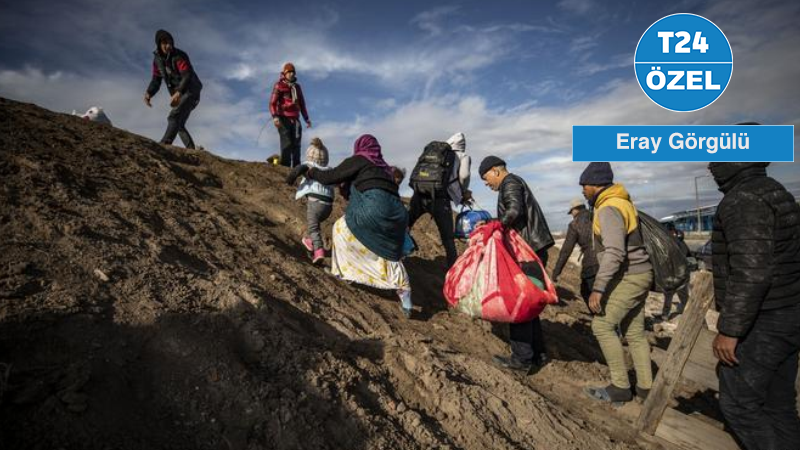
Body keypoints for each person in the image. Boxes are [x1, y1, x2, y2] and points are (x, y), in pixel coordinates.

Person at [709, 162, 800, 450]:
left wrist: (730, 330)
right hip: (788, 312)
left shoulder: (742, 200)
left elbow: (752, 272)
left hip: (765, 319)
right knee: (778, 404)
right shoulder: (774, 191)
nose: (711, 167)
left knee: (738, 403)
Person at [295, 135, 413, 318]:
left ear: (360, 147)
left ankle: (343, 273)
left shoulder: (360, 159)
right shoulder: (386, 169)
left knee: (341, 229)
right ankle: (404, 293)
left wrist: (310, 173)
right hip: (399, 215)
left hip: (374, 208)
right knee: (388, 249)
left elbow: (330, 176)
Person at [580, 162, 654, 404]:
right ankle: (645, 389)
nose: (583, 190)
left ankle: (621, 387)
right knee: (635, 333)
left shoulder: (609, 208)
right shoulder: (623, 202)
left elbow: (614, 252)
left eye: (585, 185)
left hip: (630, 275)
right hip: (641, 273)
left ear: (596, 184)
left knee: (601, 326)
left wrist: (599, 287)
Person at [479, 156, 554, 371]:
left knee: (518, 303)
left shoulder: (509, 183)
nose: (487, 183)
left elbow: (514, 210)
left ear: (495, 171)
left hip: (527, 253)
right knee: (529, 304)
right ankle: (537, 354)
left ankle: (521, 359)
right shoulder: (516, 182)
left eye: (486, 178)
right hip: (534, 251)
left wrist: (495, 226)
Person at [407, 134, 472, 269]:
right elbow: (464, 175)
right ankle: (453, 274)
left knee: (405, 225)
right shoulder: (461, 155)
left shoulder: (434, 151)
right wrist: (463, 192)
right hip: (440, 199)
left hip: (419, 194)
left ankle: (395, 260)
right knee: (448, 239)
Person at [144, 29, 203, 149]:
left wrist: (178, 92)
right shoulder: (157, 61)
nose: (168, 45)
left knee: (173, 116)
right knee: (179, 124)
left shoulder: (179, 56)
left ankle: (164, 144)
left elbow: (187, 75)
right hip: (180, 93)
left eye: (170, 42)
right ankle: (192, 151)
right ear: (158, 44)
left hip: (191, 90)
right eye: (165, 43)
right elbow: (156, 79)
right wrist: (149, 92)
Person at [286, 137, 335, 265]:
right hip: (328, 205)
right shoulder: (329, 170)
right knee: (316, 224)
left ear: (309, 155)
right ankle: (311, 242)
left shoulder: (308, 166)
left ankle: (319, 251)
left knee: (313, 227)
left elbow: (296, 171)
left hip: (315, 202)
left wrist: (290, 180)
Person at [551, 198, 598, 310]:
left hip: (592, 265)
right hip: (609, 260)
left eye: (571, 212)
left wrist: (556, 272)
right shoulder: (597, 216)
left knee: (587, 292)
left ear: (575, 210)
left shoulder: (574, 224)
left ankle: (601, 321)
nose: (571, 214)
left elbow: (566, 251)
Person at [269, 62, 311, 167]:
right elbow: (272, 103)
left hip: (296, 119)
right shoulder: (279, 85)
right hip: (283, 118)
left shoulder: (297, 87)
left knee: (296, 144)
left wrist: (306, 119)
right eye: (289, 72)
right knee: (287, 144)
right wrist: (275, 117)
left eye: (293, 72)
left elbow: (302, 104)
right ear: (284, 73)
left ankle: (297, 168)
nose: (291, 74)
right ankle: (285, 168)